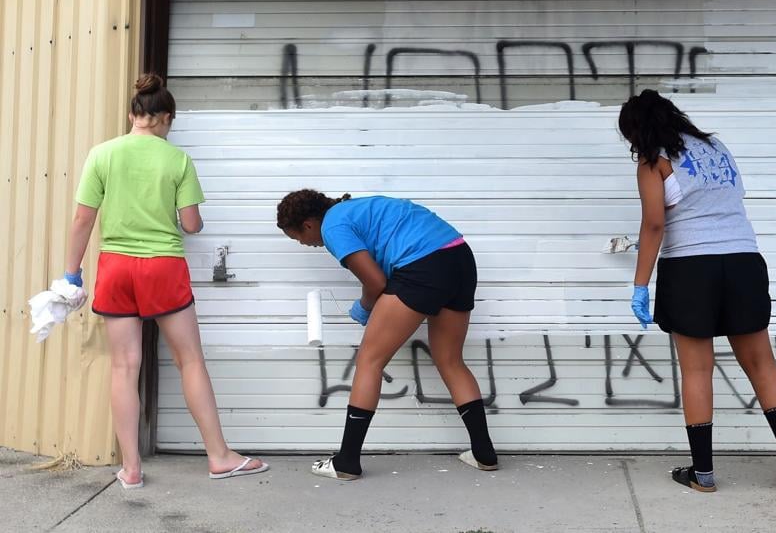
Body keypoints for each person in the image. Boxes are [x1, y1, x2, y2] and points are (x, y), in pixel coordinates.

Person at [67, 74, 267, 488]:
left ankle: (132, 469)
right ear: (167, 119)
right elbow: (191, 224)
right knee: (190, 360)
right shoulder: (178, 160)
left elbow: (83, 219)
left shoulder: (102, 154)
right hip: (163, 266)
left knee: (124, 367)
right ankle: (219, 456)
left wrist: (72, 274)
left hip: (116, 266)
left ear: (133, 114)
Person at [616, 89, 776, 493]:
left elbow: (654, 224)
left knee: (696, 369)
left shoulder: (653, 159)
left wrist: (640, 284)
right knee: (762, 363)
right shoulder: (716, 147)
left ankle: (703, 473)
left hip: (691, 267)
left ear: (637, 131)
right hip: (743, 260)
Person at [276, 190, 497, 480]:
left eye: (297, 237)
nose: (304, 244)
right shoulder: (354, 208)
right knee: (450, 360)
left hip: (423, 266)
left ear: (307, 224)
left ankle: (346, 462)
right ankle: (484, 453)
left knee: (369, 361)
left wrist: (364, 308)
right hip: (459, 258)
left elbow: (376, 281)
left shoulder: (332, 226)